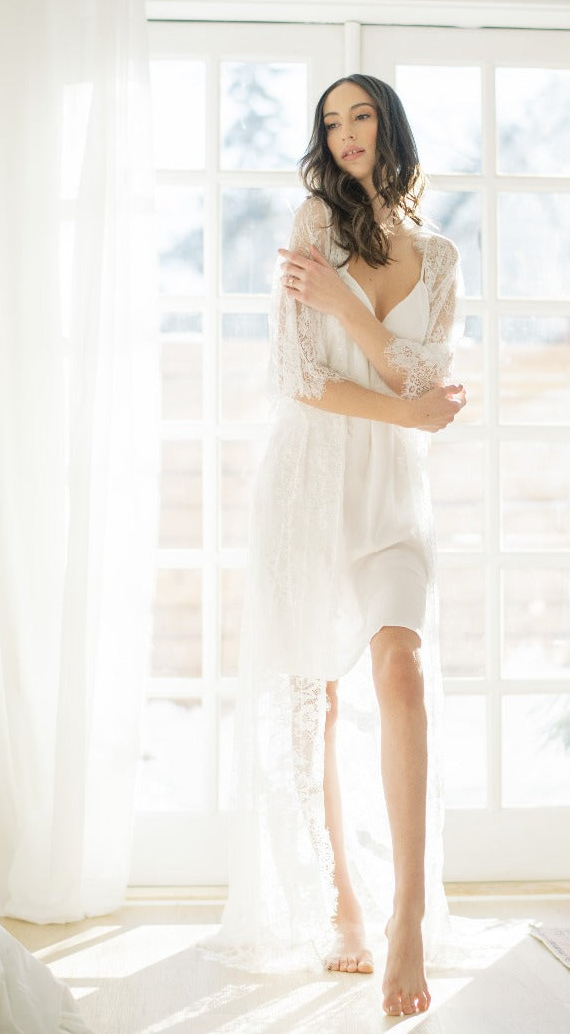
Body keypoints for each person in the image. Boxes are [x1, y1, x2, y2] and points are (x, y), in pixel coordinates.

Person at [212, 74, 466, 1018]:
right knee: (314, 699)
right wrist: (407, 402)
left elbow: (428, 379)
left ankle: (407, 914)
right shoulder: (311, 223)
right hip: (312, 482)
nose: (345, 133)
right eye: (331, 120)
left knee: (401, 669)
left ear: (389, 126)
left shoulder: (439, 257)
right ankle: (344, 905)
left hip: (394, 494)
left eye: (360, 115)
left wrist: (356, 315)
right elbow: (299, 377)